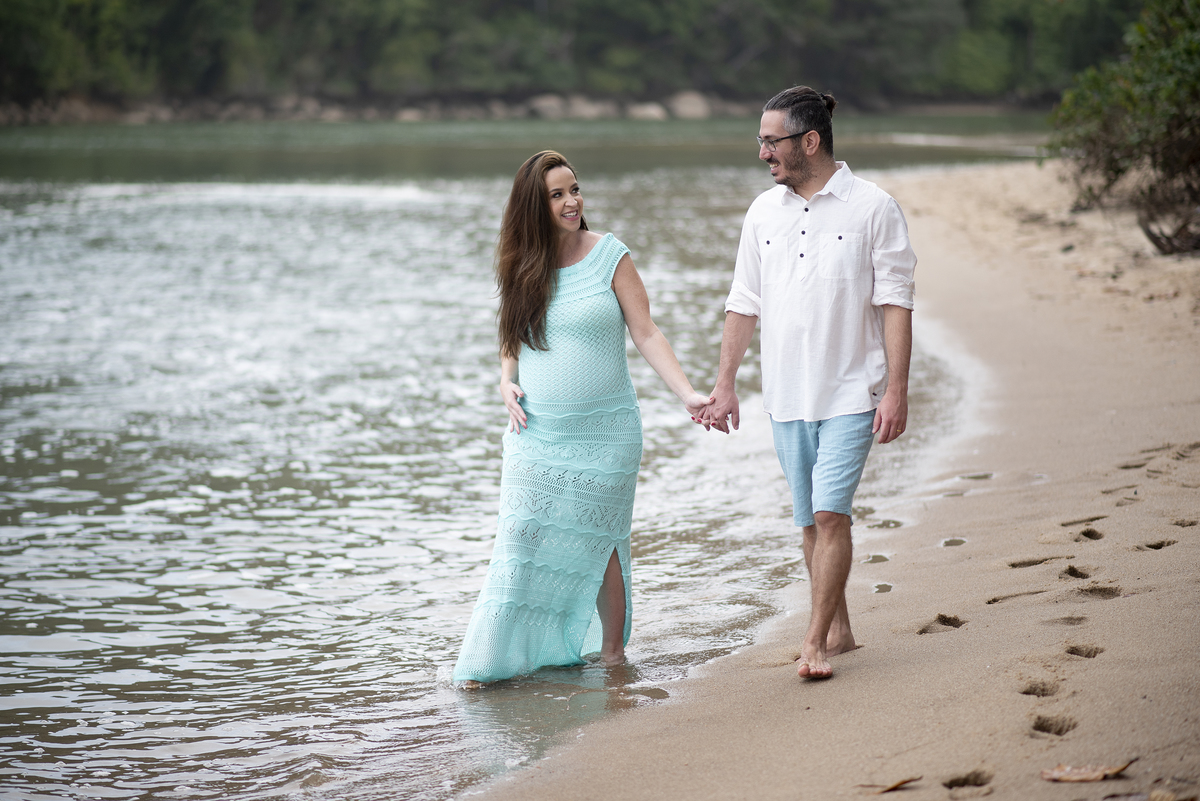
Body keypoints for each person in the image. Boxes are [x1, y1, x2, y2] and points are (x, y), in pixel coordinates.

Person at [453, 150, 713, 685]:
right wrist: (505, 380)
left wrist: (687, 393)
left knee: (602, 540)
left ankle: (613, 655)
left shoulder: (609, 255)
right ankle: (502, 658)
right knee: (522, 535)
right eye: (557, 194)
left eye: (575, 189)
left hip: (607, 432)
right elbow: (511, 335)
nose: (572, 202)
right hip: (536, 429)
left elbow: (646, 332)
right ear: (535, 206)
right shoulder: (521, 264)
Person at [701, 86, 916, 680]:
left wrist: (896, 389)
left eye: (771, 141)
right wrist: (725, 385)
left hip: (853, 390)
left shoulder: (874, 207)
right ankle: (841, 628)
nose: (763, 153)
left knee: (829, 516)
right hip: (786, 395)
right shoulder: (762, 212)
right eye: (761, 141)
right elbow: (743, 303)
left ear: (809, 141)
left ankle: (815, 642)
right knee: (808, 519)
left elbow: (896, 300)